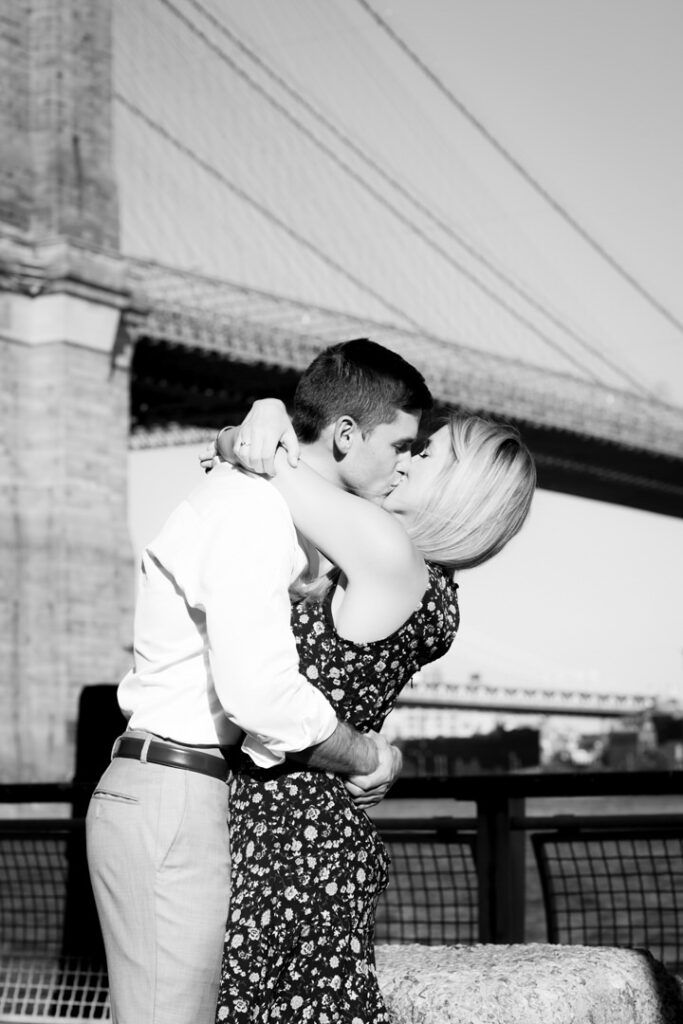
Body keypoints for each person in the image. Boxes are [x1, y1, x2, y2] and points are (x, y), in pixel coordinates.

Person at [85, 339, 433, 1024]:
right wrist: (364, 753)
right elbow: (259, 693)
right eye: (400, 444)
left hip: (172, 790)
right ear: (343, 435)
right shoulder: (253, 509)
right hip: (174, 794)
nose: (405, 463)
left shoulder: (258, 498)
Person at [211, 398, 536, 1023]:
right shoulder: (425, 585)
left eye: (428, 452)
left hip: (287, 846)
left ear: (459, 488)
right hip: (305, 838)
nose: (409, 459)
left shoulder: (386, 549)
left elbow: (269, 458)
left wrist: (262, 412)